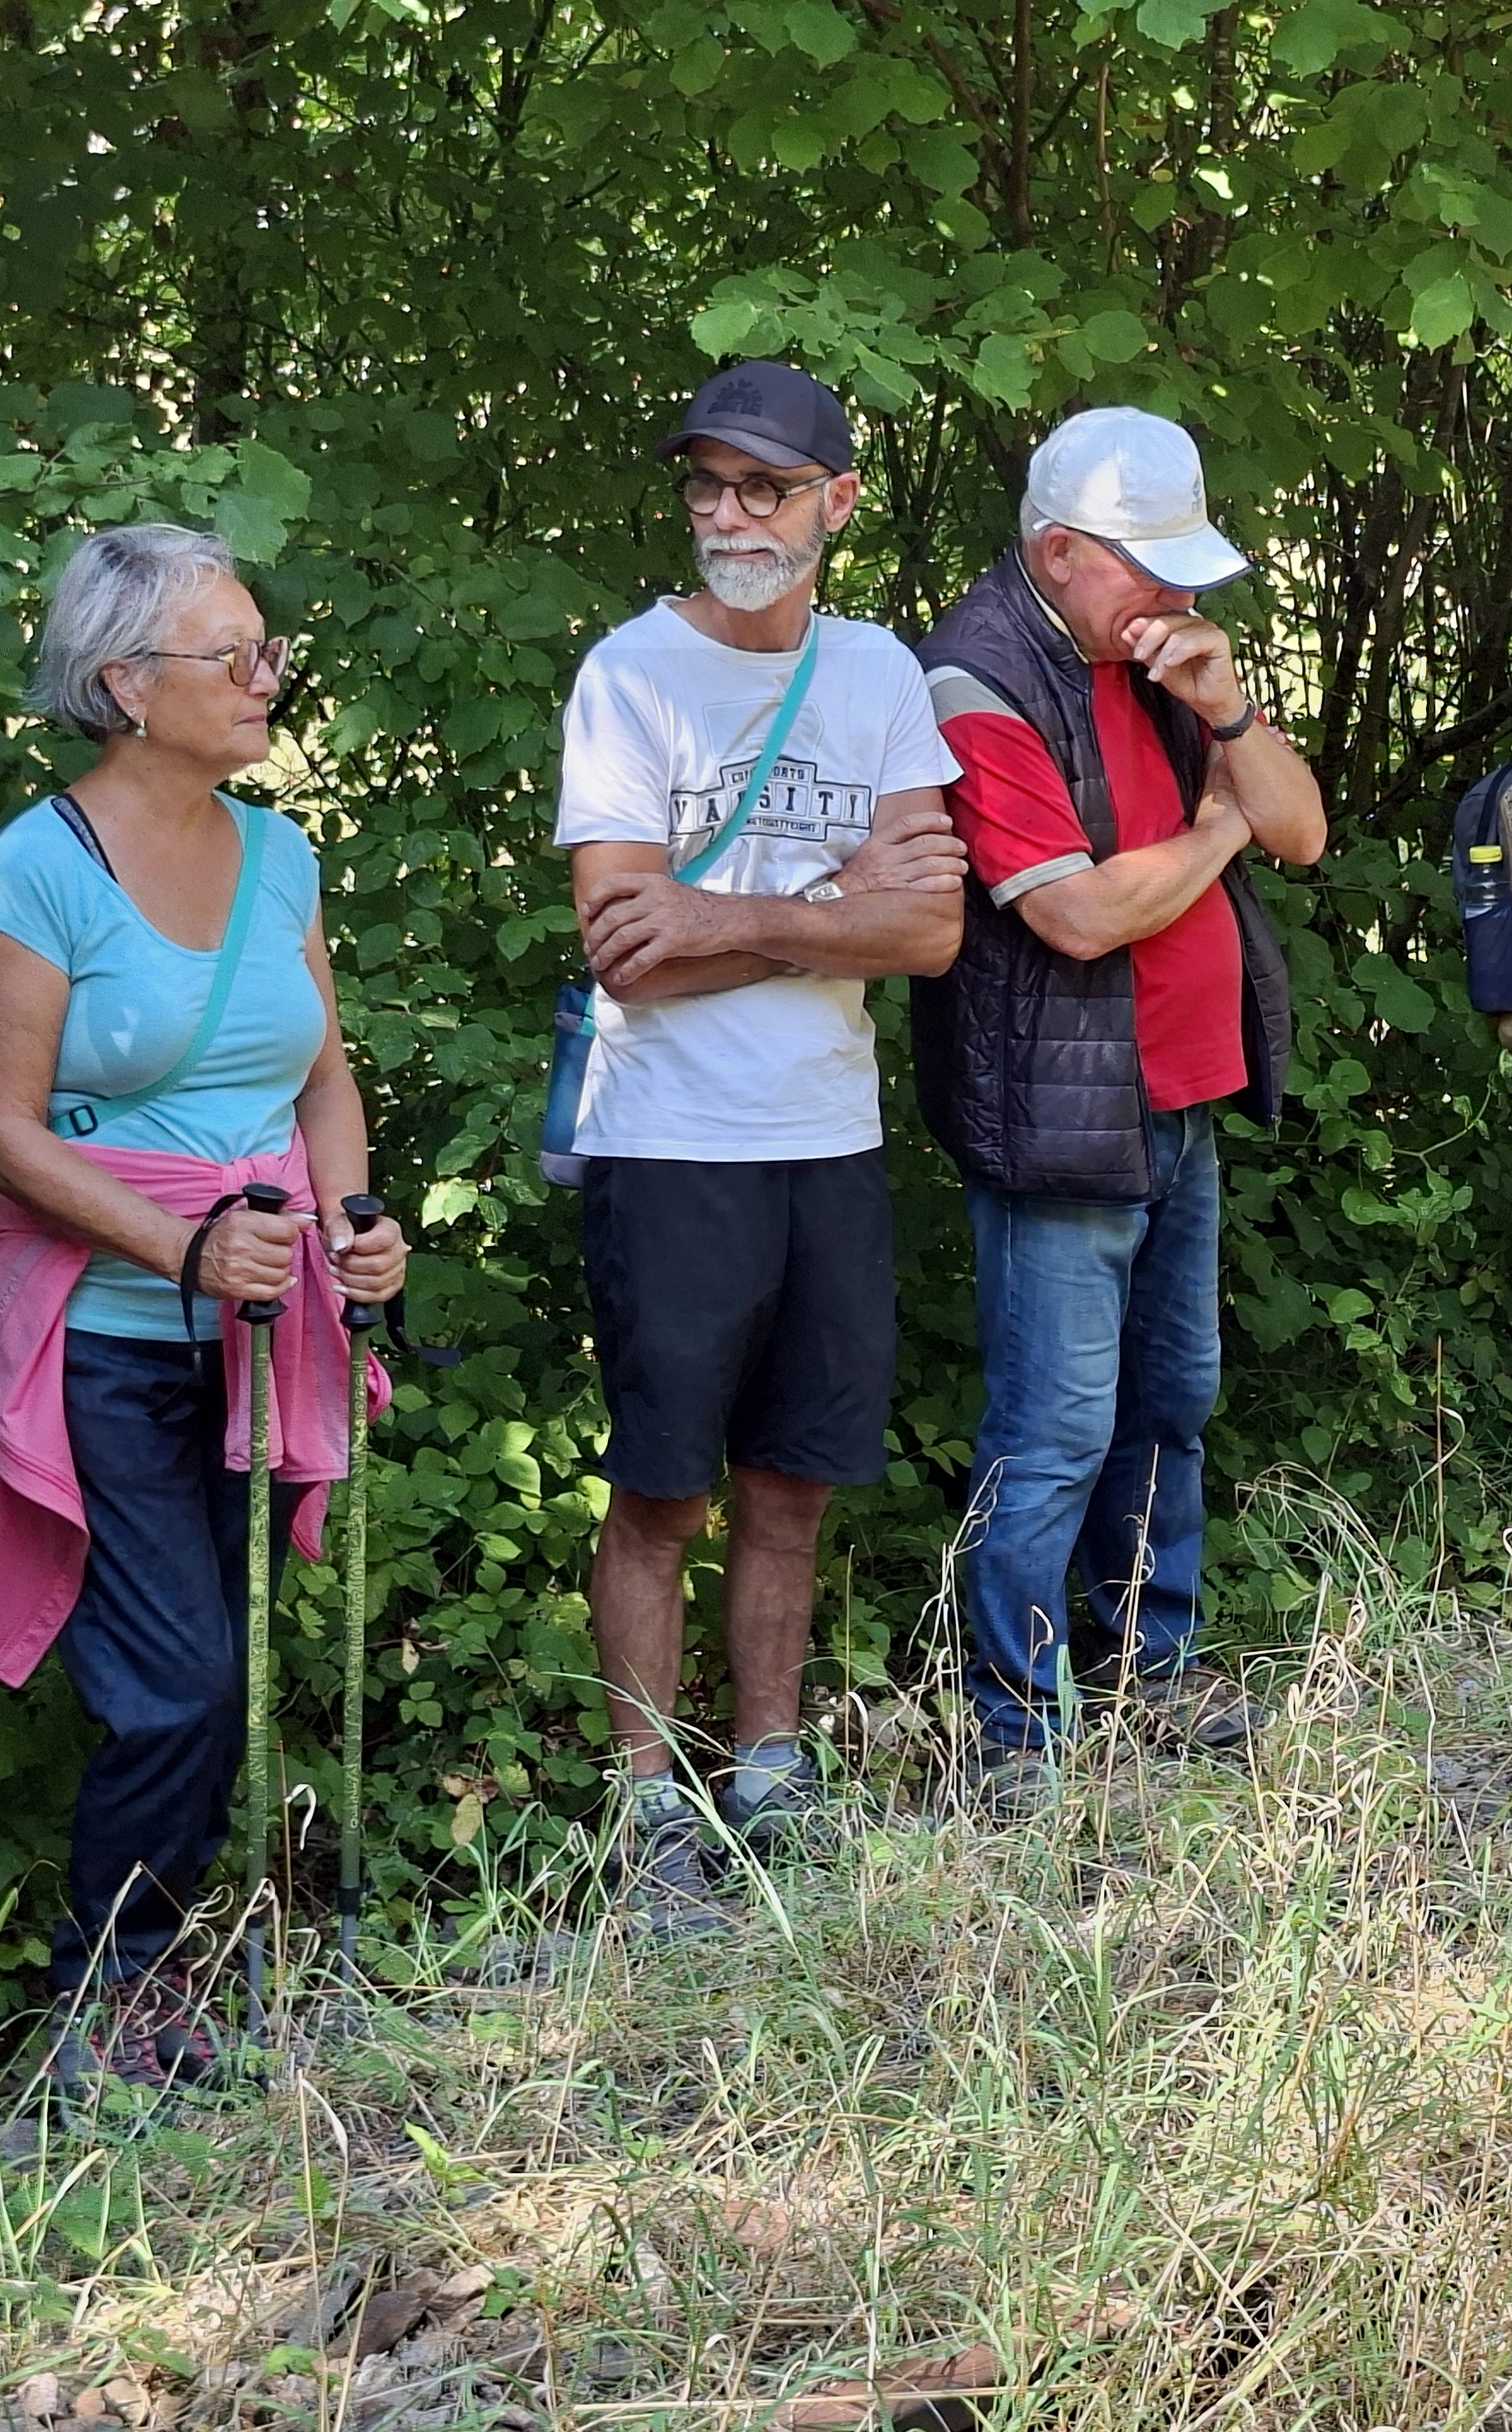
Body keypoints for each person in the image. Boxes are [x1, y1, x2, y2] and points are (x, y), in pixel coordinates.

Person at [0, 524, 408, 2100]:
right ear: (126, 685)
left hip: (266, 1328)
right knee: (181, 1681)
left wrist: (352, 1223)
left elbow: (324, 1075)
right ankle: (107, 2007)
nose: (268, 676)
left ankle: (169, 1992)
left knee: (225, 1665)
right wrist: (181, 1249)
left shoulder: (281, 856)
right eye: (236, 655)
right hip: (102, 1336)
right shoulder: (36, 869)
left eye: (266, 647)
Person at [551, 360, 968, 1931]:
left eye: (766, 488)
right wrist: (830, 915)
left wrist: (729, 913)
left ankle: (771, 1774)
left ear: (834, 505)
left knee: (792, 1485)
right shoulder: (627, 675)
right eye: (709, 486)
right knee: (661, 1493)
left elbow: (930, 928)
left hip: (824, 1139)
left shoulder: (875, 675)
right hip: (670, 1143)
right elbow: (622, 947)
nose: (731, 516)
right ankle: (645, 1802)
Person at [915, 406, 1329, 1805]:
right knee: (1054, 1431)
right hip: (1059, 1116)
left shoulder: (1157, 662)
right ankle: (1016, 1734)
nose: (1176, 595)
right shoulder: (978, 679)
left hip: (1181, 1095)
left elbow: (1308, 831)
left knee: (1174, 1398)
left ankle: (1147, 1671)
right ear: (1056, 550)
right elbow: (1083, 917)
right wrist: (1217, 824)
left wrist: (1233, 714)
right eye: (1146, 565)